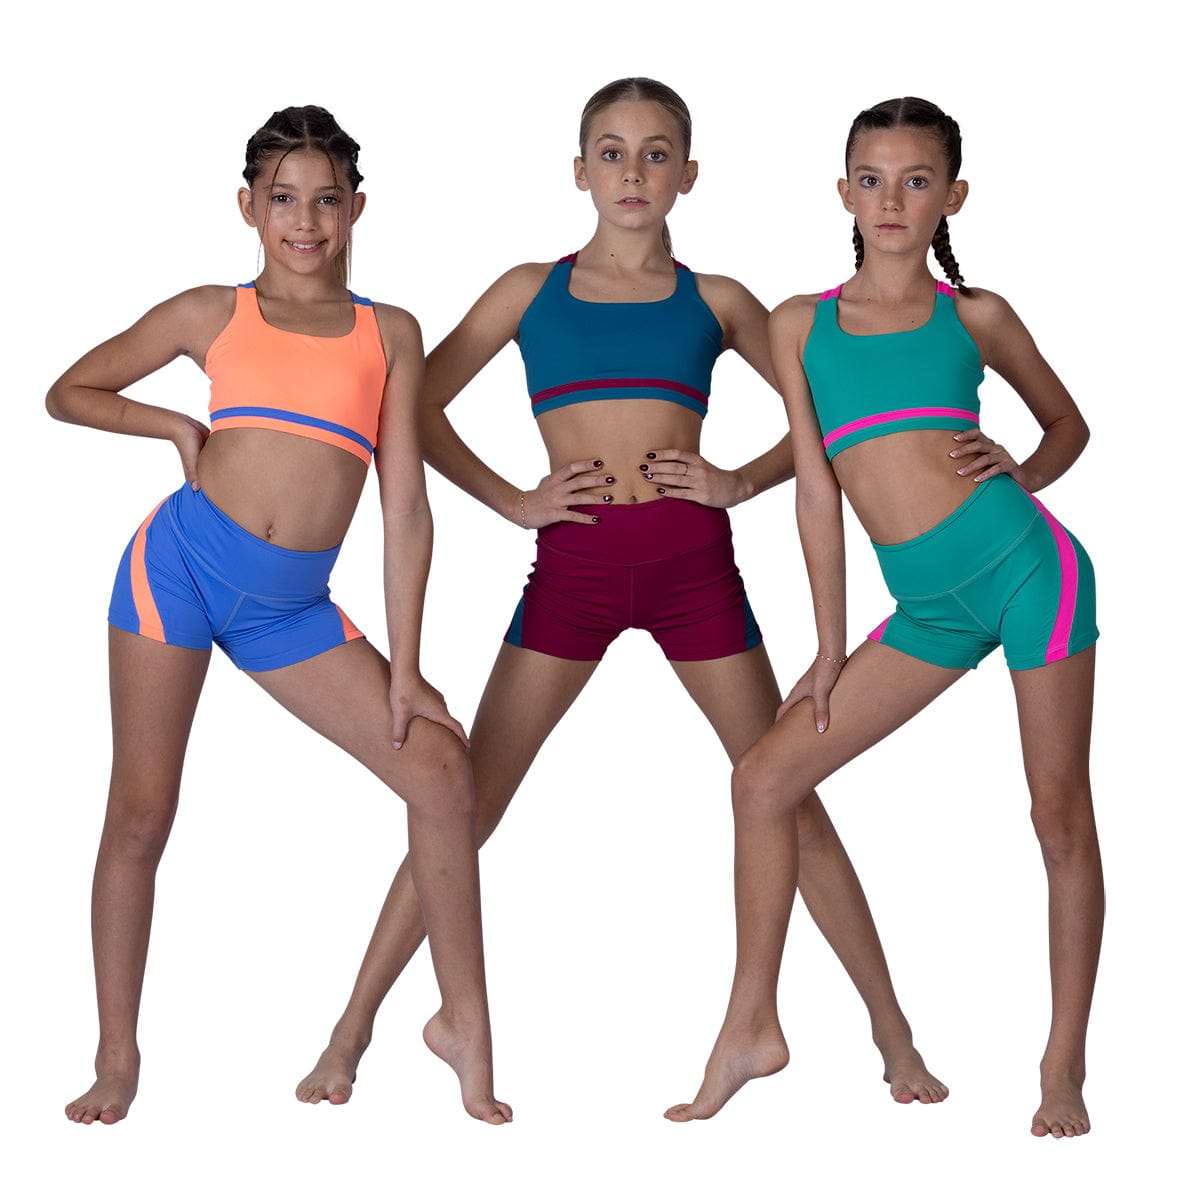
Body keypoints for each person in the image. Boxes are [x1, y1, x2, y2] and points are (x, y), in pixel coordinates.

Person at [297, 78, 945, 1112]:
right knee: (463, 800)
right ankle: (352, 1032)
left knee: (786, 795)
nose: (632, 173)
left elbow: (837, 410)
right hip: (575, 571)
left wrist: (740, 481)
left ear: (688, 175)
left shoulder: (719, 301)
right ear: (579, 170)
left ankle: (895, 1038)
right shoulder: (528, 291)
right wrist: (513, 500)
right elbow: (405, 405)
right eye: (611, 152)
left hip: (695, 571)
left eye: (654, 155)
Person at [48, 105, 509, 1126]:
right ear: (249, 206)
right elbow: (69, 390)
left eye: (326, 201)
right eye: (284, 199)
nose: (305, 221)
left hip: (289, 610)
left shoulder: (389, 334)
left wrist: (406, 667)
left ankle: (462, 1022)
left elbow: (404, 507)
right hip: (178, 571)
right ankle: (117, 1056)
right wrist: (173, 424)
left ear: (357, 209)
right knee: (141, 813)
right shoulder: (211, 312)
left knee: (440, 768)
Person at [667, 97, 1102, 1139]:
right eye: (871, 179)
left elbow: (1068, 423)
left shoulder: (977, 316)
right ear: (843, 193)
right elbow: (819, 488)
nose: (892, 199)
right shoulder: (799, 323)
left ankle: (1063, 1064)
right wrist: (829, 646)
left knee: (1056, 817)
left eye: (916, 181)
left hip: (1030, 575)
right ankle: (752, 1025)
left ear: (953, 196)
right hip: (925, 611)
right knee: (763, 780)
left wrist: (1027, 469)